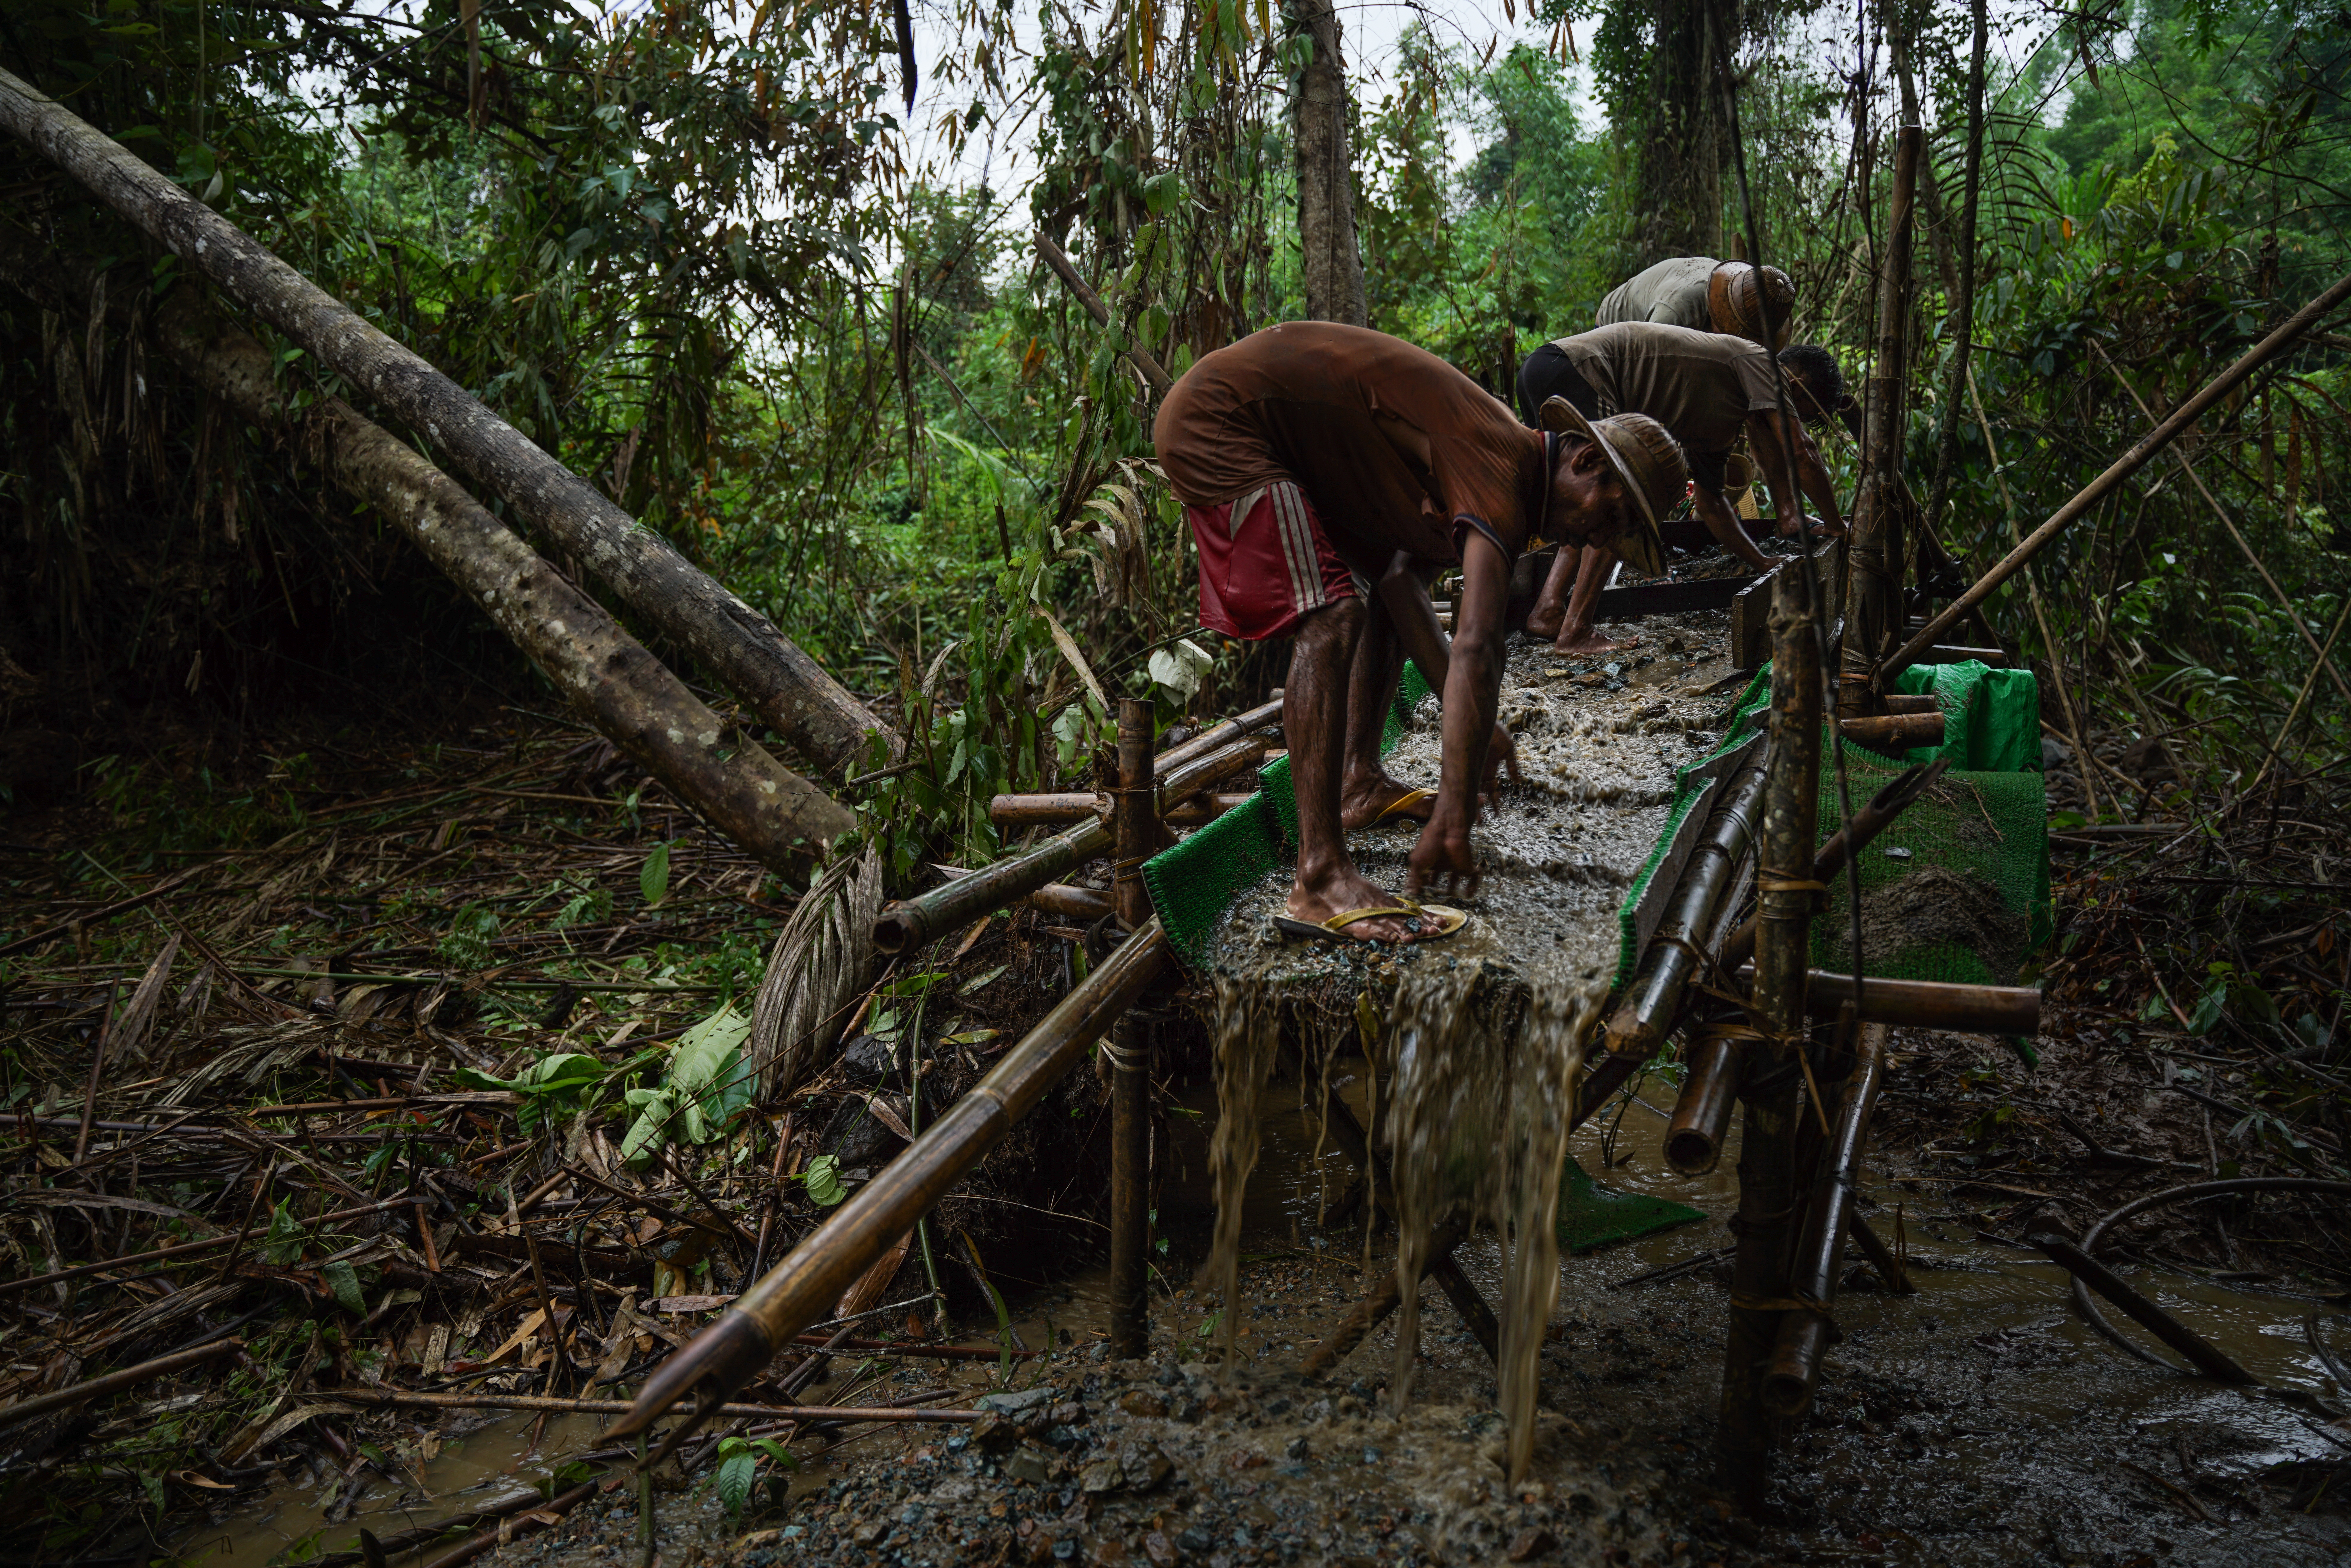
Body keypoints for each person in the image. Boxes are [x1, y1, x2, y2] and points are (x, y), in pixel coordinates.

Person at [1154, 320, 1687, 943]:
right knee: (1330, 620)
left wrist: (1481, 731)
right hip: (1222, 422)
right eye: (1614, 515)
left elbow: (1403, 587)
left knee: (1383, 578)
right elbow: (1477, 647)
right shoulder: (1498, 468)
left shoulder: (1491, 470)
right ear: (1584, 460)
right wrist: (1455, 815)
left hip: (1273, 433)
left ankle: (1358, 779)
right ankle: (1320, 877)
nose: (1600, 539)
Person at [1514, 324, 1848, 655]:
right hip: (1576, 368)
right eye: (1794, 412)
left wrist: (1761, 562)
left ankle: (1548, 611)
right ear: (1794, 387)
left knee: (1584, 506)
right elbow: (1801, 451)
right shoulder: (1761, 362)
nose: (1783, 421)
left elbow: (1711, 506)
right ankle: (1575, 632)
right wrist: (1835, 525)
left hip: (1545, 369)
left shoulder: (1719, 420)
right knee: (1618, 502)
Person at [1596, 257, 1796, 348]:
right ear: (1721, 313)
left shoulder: (1751, 296)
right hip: (1616, 325)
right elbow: (1643, 360)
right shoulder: (1677, 313)